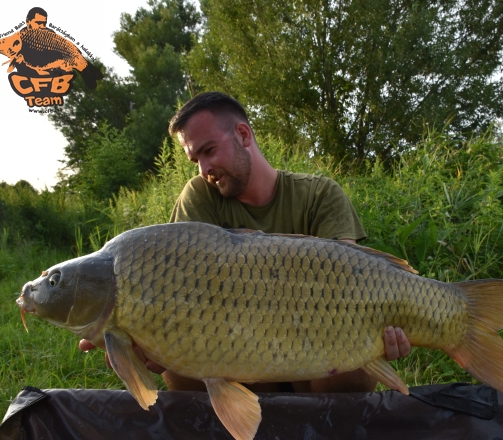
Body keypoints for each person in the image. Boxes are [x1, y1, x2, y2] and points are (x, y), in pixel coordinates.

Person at [80, 91, 411, 393]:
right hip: (234, 348)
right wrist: (142, 337)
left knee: (349, 367)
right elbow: (179, 291)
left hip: (316, 350)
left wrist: (384, 332)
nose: (205, 169)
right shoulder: (200, 196)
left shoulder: (319, 194)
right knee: (177, 363)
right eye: (196, 160)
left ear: (243, 134)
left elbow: (352, 280)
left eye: (209, 151)